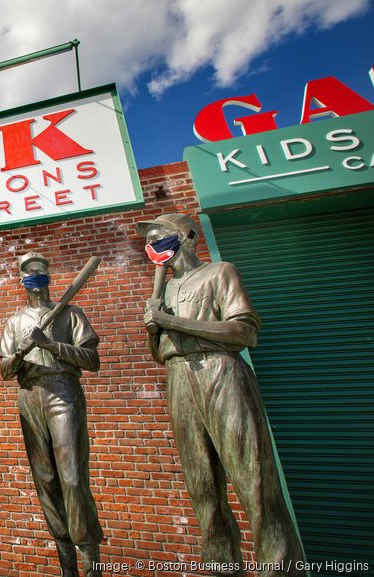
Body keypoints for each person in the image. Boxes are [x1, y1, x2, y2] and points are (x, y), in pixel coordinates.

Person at [137, 213, 304, 577]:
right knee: (201, 484)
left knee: (253, 477)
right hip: (178, 376)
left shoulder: (219, 272)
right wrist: (154, 328)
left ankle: (280, 568)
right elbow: (159, 352)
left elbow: (244, 332)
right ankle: (221, 566)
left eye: (158, 235)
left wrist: (171, 322)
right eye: (147, 240)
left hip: (221, 371)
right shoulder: (163, 290)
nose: (151, 244)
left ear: (184, 235)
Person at [0, 252, 104, 577]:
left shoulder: (71, 314)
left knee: (71, 477)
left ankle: (91, 564)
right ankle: (67, 567)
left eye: (41, 272)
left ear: (49, 276)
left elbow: (91, 359)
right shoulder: (15, 322)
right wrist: (20, 353)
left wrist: (52, 345)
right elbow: (4, 370)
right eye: (30, 273)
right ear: (21, 279)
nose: (36, 277)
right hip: (29, 395)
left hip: (63, 390)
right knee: (45, 480)